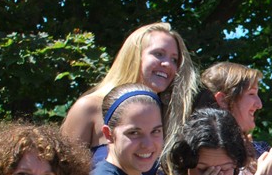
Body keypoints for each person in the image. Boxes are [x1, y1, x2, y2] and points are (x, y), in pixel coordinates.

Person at [61, 22, 197, 161]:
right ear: (134, 57)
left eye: (174, 59)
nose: (168, 64)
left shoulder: (170, 116)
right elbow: (63, 171)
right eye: (159, 54)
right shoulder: (89, 107)